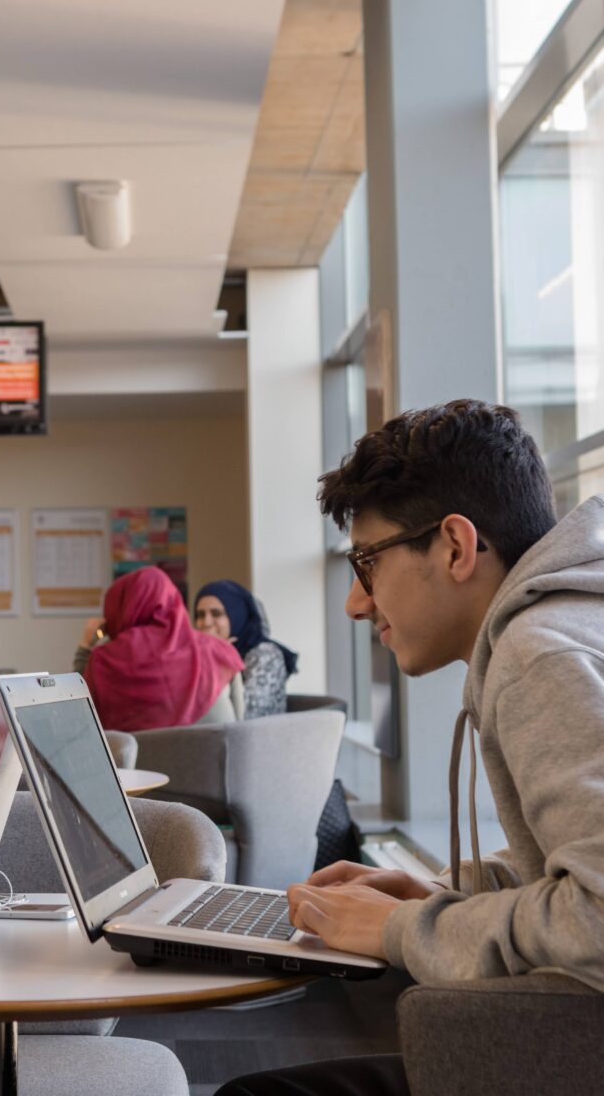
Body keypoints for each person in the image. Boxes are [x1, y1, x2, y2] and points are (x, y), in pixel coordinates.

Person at [217, 398, 604, 1096]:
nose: (355, 604)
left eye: (367, 562)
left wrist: (406, 926)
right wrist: (448, 892)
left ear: (454, 546)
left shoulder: (535, 657)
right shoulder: (573, 623)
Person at [74, 566, 243, 732]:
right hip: (217, 758)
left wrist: (85, 645)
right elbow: (241, 724)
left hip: (142, 760)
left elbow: (79, 717)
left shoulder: (103, 662)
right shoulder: (219, 652)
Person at [194, 581, 298, 718]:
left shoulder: (265, 654)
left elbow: (246, 714)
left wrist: (220, 660)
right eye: (200, 615)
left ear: (237, 616)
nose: (206, 622)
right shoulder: (199, 654)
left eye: (216, 614)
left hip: (259, 736)